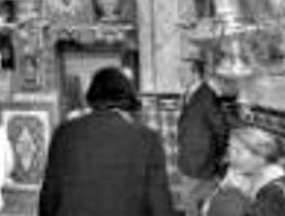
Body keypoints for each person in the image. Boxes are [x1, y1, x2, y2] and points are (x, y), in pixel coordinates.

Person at [39, 67, 174, 216]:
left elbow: (48, 198)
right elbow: (160, 205)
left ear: (91, 98)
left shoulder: (63, 134)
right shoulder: (148, 139)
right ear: (128, 100)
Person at [177, 57, 230, 216]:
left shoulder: (206, 95)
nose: (179, 75)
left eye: (183, 72)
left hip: (201, 161)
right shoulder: (191, 93)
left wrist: (216, 155)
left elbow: (221, 128)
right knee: (196, 203)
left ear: (195, 74)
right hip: (192, 159)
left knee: (191, 203)